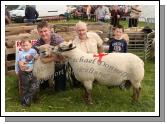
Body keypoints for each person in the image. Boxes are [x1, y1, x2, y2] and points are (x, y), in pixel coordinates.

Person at [19, 21, 66, 91]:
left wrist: (52, 58)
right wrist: (21, 62)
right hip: (46, 65)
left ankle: (59, 84)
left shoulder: (57, 40)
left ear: (50, 30)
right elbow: (30, 52)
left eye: (45, 31)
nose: (43, 33)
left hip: (58, 64)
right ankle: (45, 82)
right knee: (43, 86)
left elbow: (64, 56)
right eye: (41, 32)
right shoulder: (39, 42)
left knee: (60, 87)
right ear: (38, 32)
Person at [69, 21, 103, 87]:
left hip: (96, 62)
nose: (81, 32)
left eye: (83, 30)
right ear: (76, 31)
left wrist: (101, 57)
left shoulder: (94, 35)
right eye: (79, 30)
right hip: (84, 65)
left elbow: (100, 46)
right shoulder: (74, 43)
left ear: (86, 29)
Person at [18, 40, 39, 107]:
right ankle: (24, 102)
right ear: (21, 46)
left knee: (35, 85)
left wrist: (36, 57)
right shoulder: (20, 53)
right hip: (24, 72)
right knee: (24, 86)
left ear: (30, 45)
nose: (25, 47)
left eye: (27, 45)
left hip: (32, 71)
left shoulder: (33, 51)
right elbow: (18, 61)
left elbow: (37, 58)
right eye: (23, 45)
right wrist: (20, 66)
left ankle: (32, 98)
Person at [108, 25, 130, 89]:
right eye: (117, 31)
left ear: (122, 33)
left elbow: (126, 52)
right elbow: (109, 51)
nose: (118, 33)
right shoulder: (112, 41)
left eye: (120, 32)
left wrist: (125, 59)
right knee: (112, 72)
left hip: (121, 60)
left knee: (122, 73)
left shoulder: (124, 42)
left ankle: (122, 84)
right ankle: (111, 84)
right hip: (113, 60)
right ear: (114, 32)